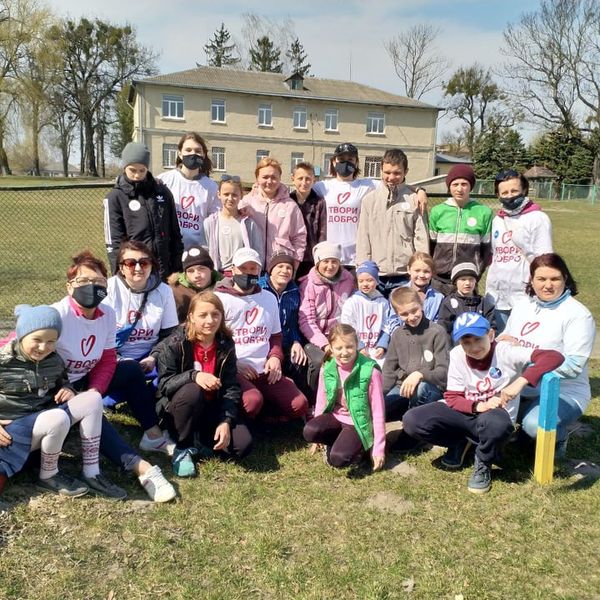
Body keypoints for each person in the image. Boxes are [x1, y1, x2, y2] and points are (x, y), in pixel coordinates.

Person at [52, 250, 176, 503]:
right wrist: (78, 395)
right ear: (69, 286)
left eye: (97, 282)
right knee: (92, 413)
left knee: (129, 369)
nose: (91, 287)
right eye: (83, 282)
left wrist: (95, 391)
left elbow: (108, 359)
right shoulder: (57, 315)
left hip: (85, 381)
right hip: (56, 390)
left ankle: (153, 436)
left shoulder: (106, 313)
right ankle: (140, 467)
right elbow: (23, 352)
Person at [402, 313, 563, 494]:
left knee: (496, 424)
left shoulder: (506, 351)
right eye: (466, 342)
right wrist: (479, 406)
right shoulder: (457, 355)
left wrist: (520, 383)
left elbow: (554, 357)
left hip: (495, 416)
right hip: (470, 410)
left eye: (478, 339)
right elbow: (453, 397)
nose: (473, 347)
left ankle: (483, 460)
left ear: (491, 335)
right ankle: (460, 442)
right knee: (413, 420)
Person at [0, 305, 122, 498]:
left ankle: (92, 472)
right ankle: (48, 475)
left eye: (51, 341)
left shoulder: (54, 360)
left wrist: (68, 389)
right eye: (36, 340)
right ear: (22, 335)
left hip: (40, 425)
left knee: (92, 398)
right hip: (10, 433)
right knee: (57, 417)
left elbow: (62, 382)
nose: (43, 347)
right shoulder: (3, 361)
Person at [501, 253, 595, 457]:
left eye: (555, 279)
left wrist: (528, 376)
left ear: (565, 279)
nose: (548, 285)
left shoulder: (578, 315)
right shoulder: (522, 306)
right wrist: (501, 342)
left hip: (564, 391)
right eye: (541, 279)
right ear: (531, 280)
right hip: (520, 388)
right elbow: (506, 339)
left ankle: (559, 437)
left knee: (534, 424)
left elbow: (573, 366)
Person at [155, 292, 252, 477]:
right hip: (179, 407)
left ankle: (201, 439)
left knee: (242, 447)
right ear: (191, 316)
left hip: (211, 408)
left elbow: (231, 386)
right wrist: (194, 375)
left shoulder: (226, 343)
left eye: (215, 314)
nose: (210, 320)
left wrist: (226, 420)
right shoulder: (175, 342)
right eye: (203, 315)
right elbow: (164, 384)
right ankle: (182, 447)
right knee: (193, 390)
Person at [214, 247, 308, 421]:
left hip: (265, 368)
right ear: (233, 269)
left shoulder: (268, 298)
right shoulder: (220, 299)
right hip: (236, 368)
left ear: (259, 270)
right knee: (252, 402)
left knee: (299, 405)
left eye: (253, 269)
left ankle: (266, 413)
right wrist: (234, 363)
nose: (248, 273)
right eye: (243, 268)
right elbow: (214, 341)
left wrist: (275, 357)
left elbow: (275, 336)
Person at [103, 240, 179, 454]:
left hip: (149, 356)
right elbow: (100, 334)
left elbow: (169, 334)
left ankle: (130, 396)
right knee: (129, 373)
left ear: (152, 266)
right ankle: (146, 420)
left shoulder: (163, 291)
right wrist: (118, 358)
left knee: (175, 370)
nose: (138, 268)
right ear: (121, 267)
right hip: (115, 356)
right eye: (130, 263)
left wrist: (154, 356)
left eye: (144, 263)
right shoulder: (109, 288)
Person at [303, 324, 386, 471]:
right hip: (336, 415)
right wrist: (318, 438)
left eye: (349, 347)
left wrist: (379, 448)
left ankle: (361, 448)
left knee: (338, 459)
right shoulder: (327, 365)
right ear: (331, 347)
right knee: (309, 431)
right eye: (339, 348)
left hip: (358, 422)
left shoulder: (370, 371)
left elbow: (378, 411)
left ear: (356, 345)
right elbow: (321, 398)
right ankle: (339, 442)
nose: (344, 352)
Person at [103, 142, 183, 280]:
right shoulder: (115, 197)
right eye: (132, 170)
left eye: (142, 170)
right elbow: (114, 242)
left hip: (163, 269)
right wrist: (119, 274)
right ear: (125, 168)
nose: (137, 175)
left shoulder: (162, 192)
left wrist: (177, 267)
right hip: (135, 270)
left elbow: (175, 233)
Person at [485, 170, 553, 332]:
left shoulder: (538, 218)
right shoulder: (497, 220)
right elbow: (494, 254)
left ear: (524, 190)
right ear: (498, 195)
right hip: (498, 296)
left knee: (523, 343)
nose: (510, 196)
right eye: (505, 192)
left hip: (525, 297)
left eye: (514, 191)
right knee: (501, 344)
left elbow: (545, 259)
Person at [356, 149, 429, 295]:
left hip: (405, 276)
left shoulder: (415, 200)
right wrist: (364, 270)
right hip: (376, 276)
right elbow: (364, 237)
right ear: (381, 170)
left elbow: (421, 238)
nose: (391, 177)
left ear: (405, 171)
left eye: (397, 173)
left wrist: (420, 270)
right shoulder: (369, 200)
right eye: (387, 172)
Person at [383, 287, 449, 423]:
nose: (411, 317)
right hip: (403, 387)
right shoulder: (398, 334)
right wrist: (378, 395)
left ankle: (414, 430)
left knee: (421, 390)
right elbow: (389, 370)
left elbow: (443, 372)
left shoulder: (437, 332)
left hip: (430, 386)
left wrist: (420, 374)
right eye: (404, 314)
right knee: (381, 407)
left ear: (421, 305)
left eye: (414, 311)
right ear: (397, 314)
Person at [298, 241, 355, 392]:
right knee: (319, 361)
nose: (330, 266)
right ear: (318, 263)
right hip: (316, 337)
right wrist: (324, 344)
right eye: (326, 261)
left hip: (339, 335)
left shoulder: (348, 279)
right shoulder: (309, 285)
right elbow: (306, 320)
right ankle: (313, 400)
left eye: (334, 261)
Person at [429, 165, 493, 294]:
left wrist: (476, 272)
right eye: (455, 184)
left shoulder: (484, 212)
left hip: (467, 280)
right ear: (449, 187)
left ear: (471, 186)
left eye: (464, 184)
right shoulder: (438, 211)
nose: (459, 189)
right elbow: (430, 246)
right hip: (439, 280)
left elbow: (486, 250)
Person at [312, 143, 376, 269]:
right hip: (329, 257)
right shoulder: (322, 186)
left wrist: (419, 190)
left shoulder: (367, 185)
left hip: (355, 258)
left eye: (350, 160)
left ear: (356, 162)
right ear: (334, 162)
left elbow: (394, 183)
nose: (345, 163)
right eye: (341, 160)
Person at [259, 251, 310, 400]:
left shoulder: (294, 291)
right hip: (264, 343)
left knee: (299, 360)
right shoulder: (259, 289)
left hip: (286, 341)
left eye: (289, 268)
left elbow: (293, 323)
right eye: (280, 266)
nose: (284, 271)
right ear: (271, 270)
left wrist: (296, 341)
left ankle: (301, 403)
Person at [240, 158, 307, 269]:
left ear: (280, 178)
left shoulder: (290, 206)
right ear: (257, 178)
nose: (269, 181)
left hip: (280, 268)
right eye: (265, 177)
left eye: (274, 177)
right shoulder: (246, 202)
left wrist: (294, 264)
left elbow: (299, 237)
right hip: (253, 266)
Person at [157, 132, 220, 249]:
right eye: (188, 150)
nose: (193, 154)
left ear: (204, 155)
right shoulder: (164, 180)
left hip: (199, 251)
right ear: (180, 154)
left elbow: (216, 220)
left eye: (198, 151)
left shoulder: (211, 187)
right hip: (169, 248)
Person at [340, 261, 399, 364]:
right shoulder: (352, 302)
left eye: (369, 280)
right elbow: (348, 327)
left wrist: (382, 345)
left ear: (376, 281)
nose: (365, 284)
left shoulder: (383, 302)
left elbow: (386, 325)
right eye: (361, 281)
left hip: (376, 349)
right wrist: (360, 347)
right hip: (356, 348)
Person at [204, 174, 263, 273]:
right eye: (226, 194)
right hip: (217, 275)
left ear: (241, 196)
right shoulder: (210, 222)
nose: (230, 198)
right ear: (219, 194)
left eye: (234, 195)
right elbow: (205, 251)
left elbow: (257, 253)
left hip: (242, 275)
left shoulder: (248, 223)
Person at [438, 262, 496, 338]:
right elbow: (444, 329)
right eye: (463, 279)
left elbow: (492, 327)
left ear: (475, 281)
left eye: (471, 279)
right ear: (455, 281)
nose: (468, 283)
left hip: (480, 345)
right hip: (457, 345)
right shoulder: (448, 303)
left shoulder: (484, 303)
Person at [289, 162, 327, 279]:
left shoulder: (319, 203)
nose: (304, 182)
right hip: (290, 256)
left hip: (310, 259)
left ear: (314, 180)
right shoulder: (287, 201)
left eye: (308, 179)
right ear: (293, 179)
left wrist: (320, 258)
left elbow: (322, 232)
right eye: (300, 178)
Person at [168, 246, 222, 323]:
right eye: (190, 271)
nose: (197, 275)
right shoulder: (175, 293)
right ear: (185, 274)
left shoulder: (225, 288)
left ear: (211, 269)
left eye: (201, 269)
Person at [404, 252, 444, 322]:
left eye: (426, 271)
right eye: (417, 270)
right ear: (408, 269)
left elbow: (438, 322)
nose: (422, 275)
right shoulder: (398, 294)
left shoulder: (439, 298)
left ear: (432, 273)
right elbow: (393, 320)